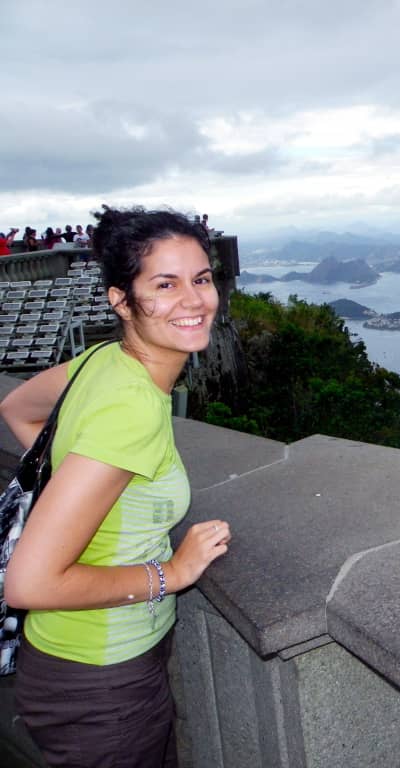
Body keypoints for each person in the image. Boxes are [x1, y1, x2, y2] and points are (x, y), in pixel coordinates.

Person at [0, 206, 231, 767]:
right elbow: (29, 583)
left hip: (71, 665)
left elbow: (17, 408)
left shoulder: (103, 360)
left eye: (201, 279)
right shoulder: (131, 410)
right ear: (121, 301)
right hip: (101, 683)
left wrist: (81, 490)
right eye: (165, 285)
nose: (194, 300)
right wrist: (172, 574)